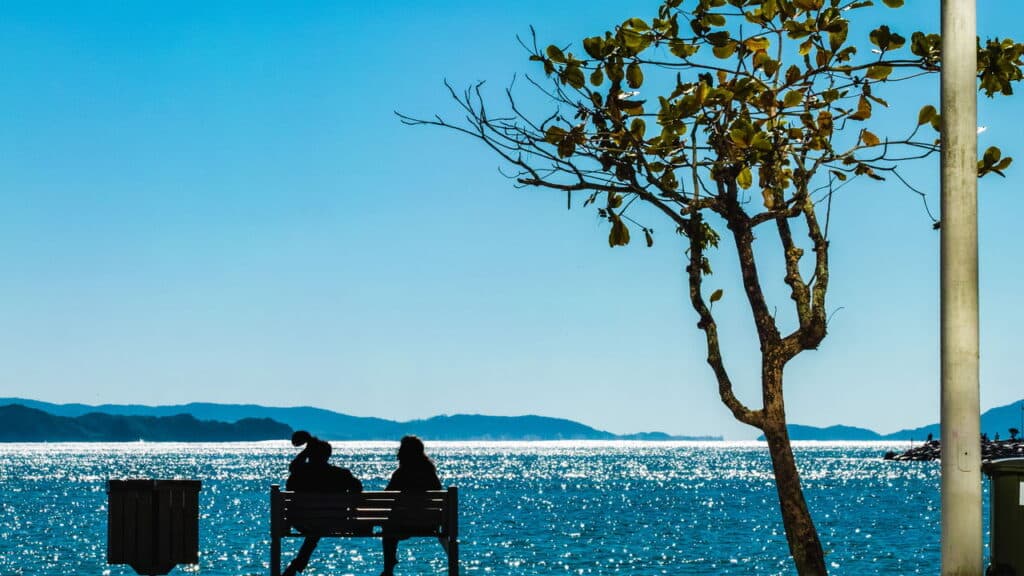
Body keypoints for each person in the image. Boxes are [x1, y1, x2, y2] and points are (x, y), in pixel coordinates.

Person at [282, 431, 362, 576]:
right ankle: (298, 564)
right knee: (320, 526)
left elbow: (292, 469)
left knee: (316, 527)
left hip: (304, 522)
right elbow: (358, 489)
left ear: (309, 454)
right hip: (335, 521)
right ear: (328, 455)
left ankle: (298, 564)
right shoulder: (341, 474)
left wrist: (305, 451)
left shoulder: (301, 473)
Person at [380, 435, 442, 576]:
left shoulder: (401, 474)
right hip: (428, 523)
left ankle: (389, 567)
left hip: (402, 524)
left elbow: (386, 496)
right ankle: (390, 565)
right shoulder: (429, 472)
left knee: (389, 528)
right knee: (392, 525)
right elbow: (437, 490)